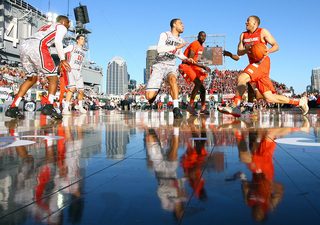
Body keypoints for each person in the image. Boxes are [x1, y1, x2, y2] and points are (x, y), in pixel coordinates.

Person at [219, 16, 308, 117]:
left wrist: (268, 50)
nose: (246, 22)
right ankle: (300, 102)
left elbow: (276, 46)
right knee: (269, 97)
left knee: (241, 78)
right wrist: (246, 50)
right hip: (254, 65)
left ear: (255, 23)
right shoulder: (243, 35)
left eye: (248, 21)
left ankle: (236, 106)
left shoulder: (263, 32)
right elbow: (239, 52)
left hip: (262, 62)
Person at [5, 15, 71, 119]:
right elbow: (58, 41)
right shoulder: (61, 26)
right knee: (53, 77)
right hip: (38, 46)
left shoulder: (46, 26)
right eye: (68, 22)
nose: (69, 25)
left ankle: (13, 107)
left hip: (24, 46)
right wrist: (62, 59)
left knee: (31, 79)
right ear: (63, 22)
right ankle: (49, 105)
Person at [145, 19, 195, 119]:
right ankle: (158, 88)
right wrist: (175, 46)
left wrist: (187, 59)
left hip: (170, 66)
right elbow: (159, 49)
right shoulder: (165, 35)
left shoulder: (181, 40)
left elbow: (179, 54)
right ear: (174, 25)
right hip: (159, 65)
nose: (183, 25)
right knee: (149, 97)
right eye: (181, 23)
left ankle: (176, 108)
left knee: (173, 79)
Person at [179, 31, 211, 115]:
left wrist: (203, 63)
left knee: (203, 89)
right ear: (198, 36)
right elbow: (190, 59)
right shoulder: (195, 44)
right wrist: (203, 67)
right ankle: (190, 105)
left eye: (204, 36)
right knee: (198, 83)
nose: (203, 37)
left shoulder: (202, 46)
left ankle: (203, 108)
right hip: (187, 65)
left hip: (193, 66)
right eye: (201, 36)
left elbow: (196, 59)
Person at [61, 34, 87, 115]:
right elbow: (61, 51)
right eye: (81, 39)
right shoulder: (72, 47)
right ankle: (65, 108)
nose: (83, 40)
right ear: (77, 40)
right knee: (72, 88)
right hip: (70, 69)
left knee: (82, 91)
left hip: (78, 71)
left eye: (84, 39)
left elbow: (81, 63)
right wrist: (63, 62)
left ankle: (79, 105)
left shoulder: (83, 52)